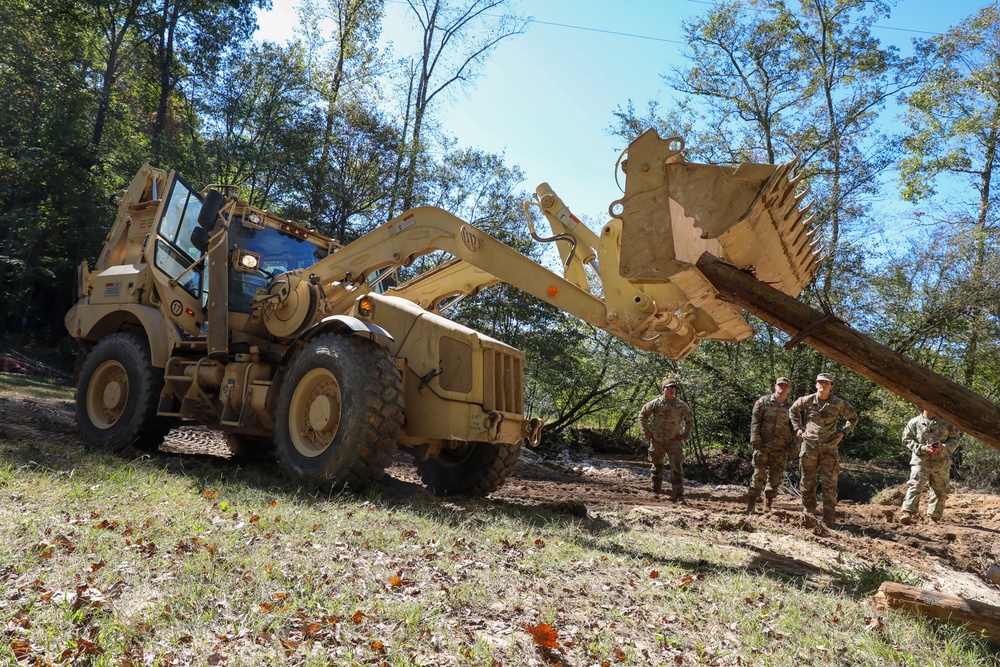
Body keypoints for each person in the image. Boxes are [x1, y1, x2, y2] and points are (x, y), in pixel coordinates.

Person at [789, 372, 858, 527]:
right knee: (807, 480)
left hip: (829, 447)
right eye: (820, 382)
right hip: (810, 446)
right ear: (816, 384)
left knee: (830, 482)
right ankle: (809, 514)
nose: (823, 385)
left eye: (826, 383)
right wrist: (797, 429)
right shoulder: (808, 400)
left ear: (831, 386)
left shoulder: (838, 403)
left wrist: (843, 432)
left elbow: (853, 417)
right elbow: (793, 410)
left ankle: (829, 519)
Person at [899, 409, 960, 524]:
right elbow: (907, 439)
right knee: (916, 484)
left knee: (940, 489)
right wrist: (923, 448)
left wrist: (943, 447)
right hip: (921, 461)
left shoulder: (947, 423)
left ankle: (934, 517)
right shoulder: (914, 422)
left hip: (941, 462)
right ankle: (907, 513)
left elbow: (955, 439)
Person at [745, 377, 797, 513]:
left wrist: (794, 446)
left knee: (775, 476)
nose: (782, 388)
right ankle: (751, 504)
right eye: (780, 385)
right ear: (775, 386)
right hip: (763, 445)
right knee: (758, 474)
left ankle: (768, 504)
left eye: (785, 386)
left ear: (789, 389)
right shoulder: (763, 402)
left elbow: (796, 428)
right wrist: (754, 438)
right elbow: (755, 421)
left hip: (781, 447)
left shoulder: (792, 407)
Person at [639, 378, 694, 502]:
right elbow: (642, 415)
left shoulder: (681, 404)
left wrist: (685, 435)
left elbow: (690, 420)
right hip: (657, 440)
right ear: (663, 389)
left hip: (673, 441)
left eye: (674, 388)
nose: (672, 391)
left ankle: (679, 494)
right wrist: (646, 432)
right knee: (657, 466)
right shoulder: (655, 403)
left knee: (677, 467)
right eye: (669, 388)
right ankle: (655, 491)